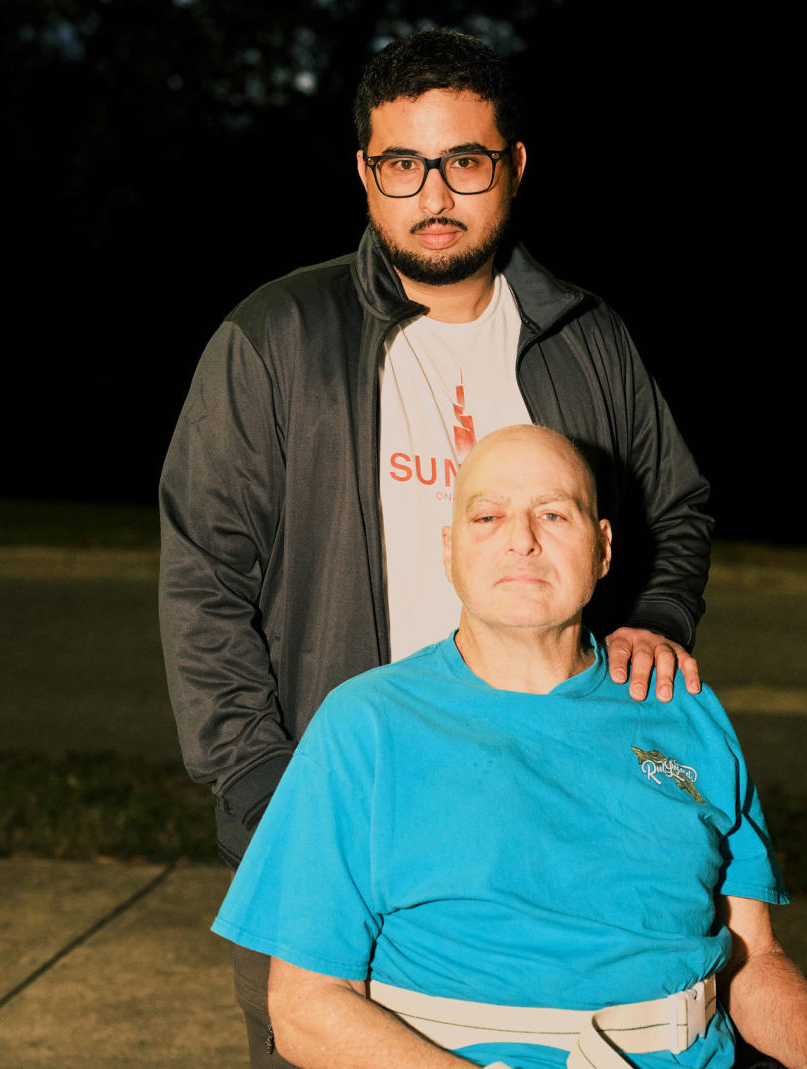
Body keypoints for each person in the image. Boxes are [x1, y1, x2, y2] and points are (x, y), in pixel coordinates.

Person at [159, 28, 712, 1065]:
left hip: (546, 820)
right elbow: (203, 583)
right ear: (366, 173)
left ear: (512, 168)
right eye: (403, 165)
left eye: (465, 161)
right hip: (338, 823)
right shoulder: (275, 339)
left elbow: (675, 508)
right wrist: (266, 792)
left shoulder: (586, 338)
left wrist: (655, 619)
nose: (435, 194)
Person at [212, 425, 807, 1069]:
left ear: (604, 548)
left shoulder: (684, 708)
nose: (522, 540)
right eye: (488, 518)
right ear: (448, 549)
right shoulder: (366, 726)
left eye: (555, 515)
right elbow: (305, 1006)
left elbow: (752, 957)